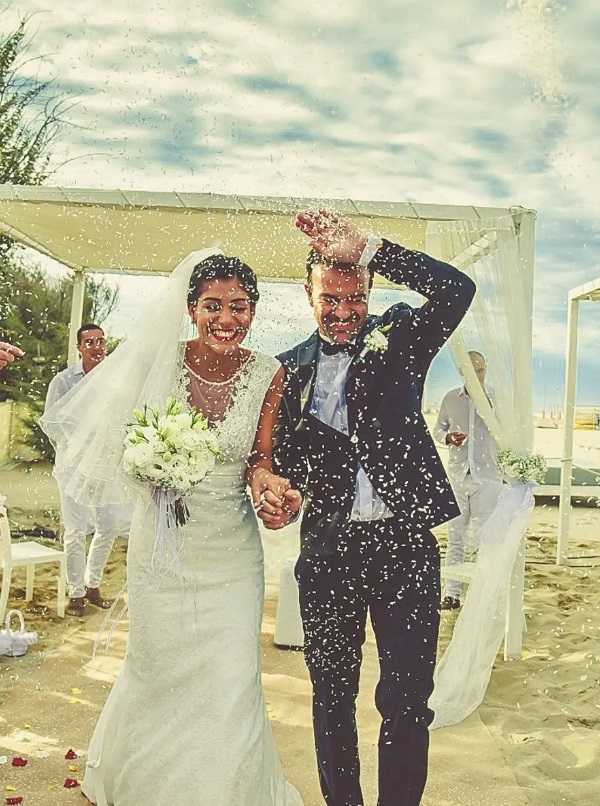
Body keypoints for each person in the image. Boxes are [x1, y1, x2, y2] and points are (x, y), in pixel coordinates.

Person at [42, 250, 303, 806]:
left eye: (239, 306)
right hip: (161, 550)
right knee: (158, 668)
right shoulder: (157, 362)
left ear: (254, 311)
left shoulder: (269, 372)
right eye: (213, 305)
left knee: (231, 676)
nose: (226, 318)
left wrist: (268, 485)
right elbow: (117, 440)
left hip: (232, 554)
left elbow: (259, 459)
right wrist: (150, 466)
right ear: (191, 309)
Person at [258, 211, 476, 806]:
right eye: (330, 298)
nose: (343, 311)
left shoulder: (401, 337)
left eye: (355, 297)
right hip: (328, 553)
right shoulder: (285, 370)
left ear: (371, 289)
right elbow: (279, 465)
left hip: (405, 548)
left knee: (408, 700)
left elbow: (457, 289)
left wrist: (372, 246)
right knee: (331, 697)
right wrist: (277, 497)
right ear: (308, 294)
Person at [43, 324, 128, 617]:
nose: (96, 347)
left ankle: (93, 585)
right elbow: (52, 424)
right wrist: (81, 445)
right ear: (79, 347)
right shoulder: (63, 381)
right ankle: (76, 593)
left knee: (109, 526)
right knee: (75, 530)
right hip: (73, 467)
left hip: (105, 465)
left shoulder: (115, 381)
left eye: (101, 341)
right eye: (89, 342)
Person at [432, 351, 503, 610]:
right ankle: (451, 593)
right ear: (463, 372)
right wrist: (448, 438)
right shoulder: (451, 398)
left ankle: (482, 594)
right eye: (471, 371)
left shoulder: (498, 399)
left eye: (480, 371)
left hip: (488, 476)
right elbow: (438, 429)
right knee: (455, 538)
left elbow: (509, 431)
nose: (476, 376)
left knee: (485, 539)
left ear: (486, 369)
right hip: (458, 475)